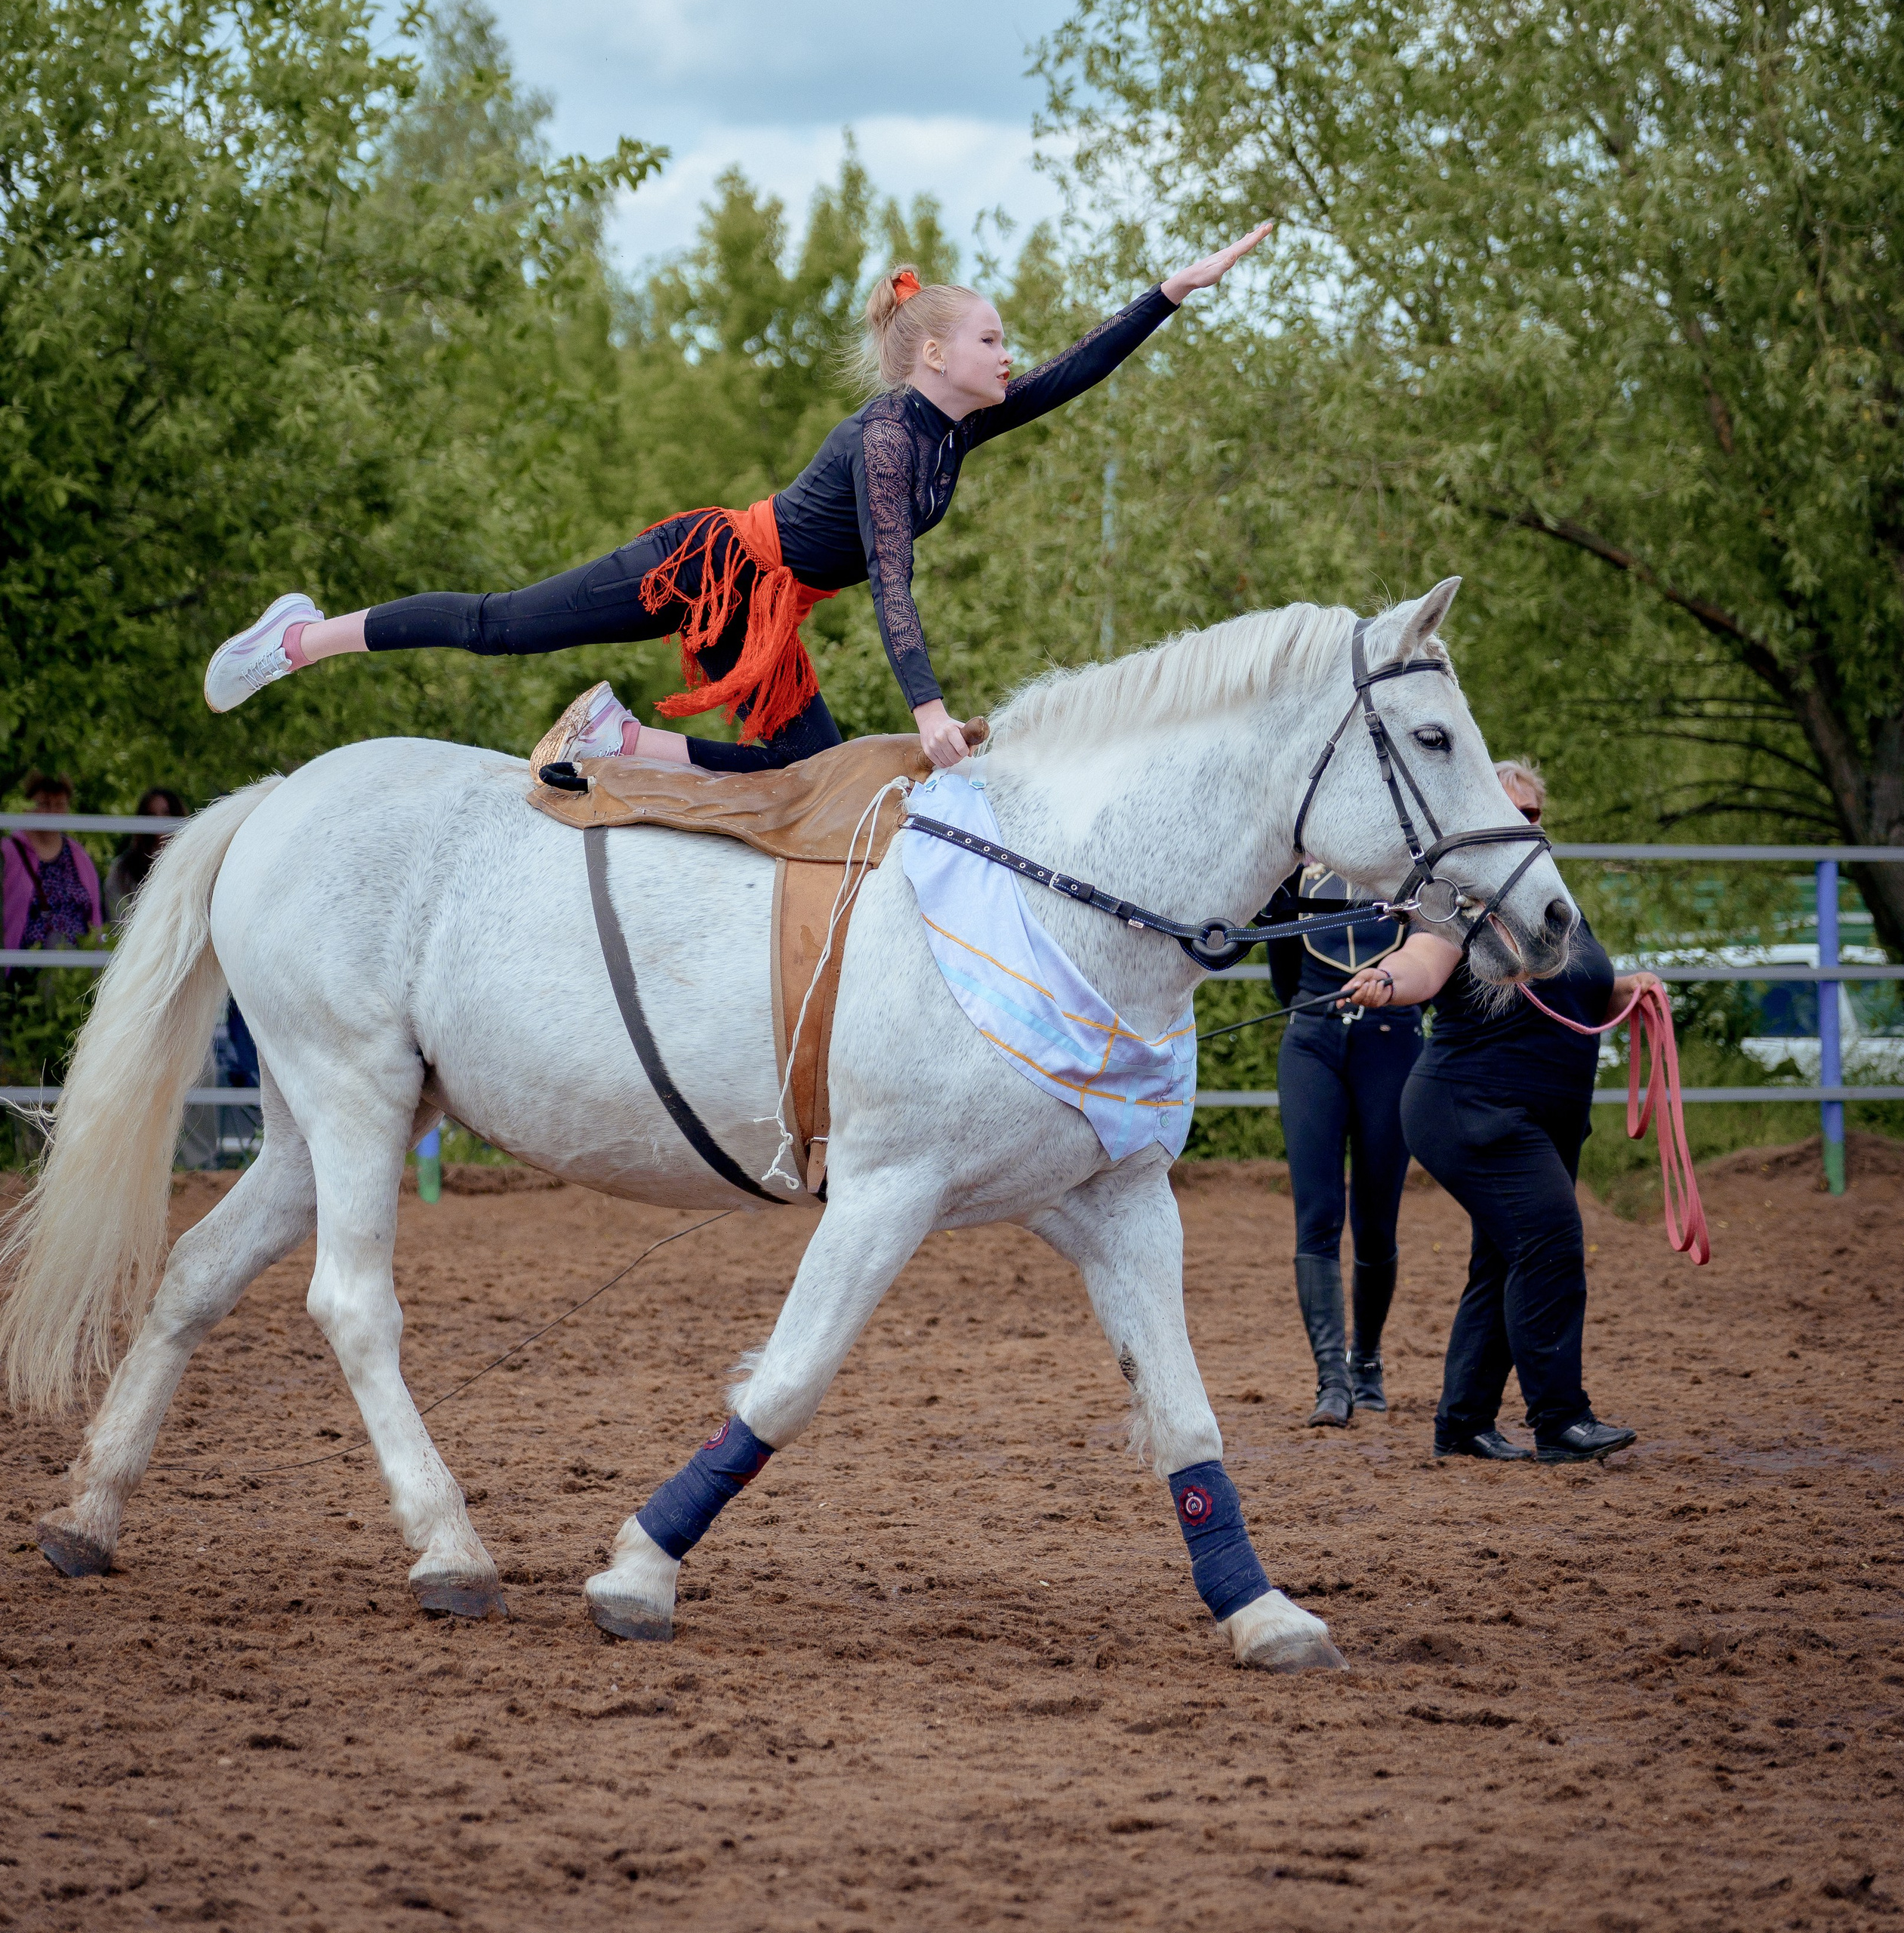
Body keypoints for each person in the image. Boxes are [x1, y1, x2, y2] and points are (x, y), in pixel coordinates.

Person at [200, 230, 1272, 772]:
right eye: (993, 339)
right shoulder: (893, 438)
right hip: (705, 571)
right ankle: (301, 639)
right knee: (500, 625)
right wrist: (930, 713)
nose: (1011, 355)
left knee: (801, 778)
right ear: (934, 352)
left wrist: (1171, 294)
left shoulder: (959, 420)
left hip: (765, 609)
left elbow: (1073, 374)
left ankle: (618, 743)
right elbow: (890, 578)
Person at [1334, 759, 1659, 1465]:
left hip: (1553, 1113)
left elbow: (1581, 996)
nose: (1526, 827)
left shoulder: (1554, 905)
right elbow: (1423, 960)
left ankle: (1464, 1423)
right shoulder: (1458, 900)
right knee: (1549, 1243)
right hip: (1469, 1106)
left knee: (1503, 1258)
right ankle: (1560, 1420)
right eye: (1511, 815)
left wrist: (1628, 990)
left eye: (1534, 816)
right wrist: (1388, 982)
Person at [1265, 865, 1422, 1428]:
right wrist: (1316, 1010)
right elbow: (1283, 969)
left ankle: (1368, 1362)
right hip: (1312, 1038)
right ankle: (1332, 1379)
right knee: (1318, 1215)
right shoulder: (1298, 873)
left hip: (1392, 1040)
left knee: (1378, 1219)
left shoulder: (1413, 872)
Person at [3, 773, 102, 967]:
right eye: (45, 804)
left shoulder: (79, 856)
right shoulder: (8, 851)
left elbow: (94, 914)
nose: (53, 812)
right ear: (28, 805)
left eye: (59, 805)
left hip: (77, 965)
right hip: (26, 964)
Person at [103, 786, 188, 923]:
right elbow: (117, 912)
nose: (159, 821)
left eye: (166, 813)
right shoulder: (124, 867)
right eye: (152, 815)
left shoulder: (189, 861)